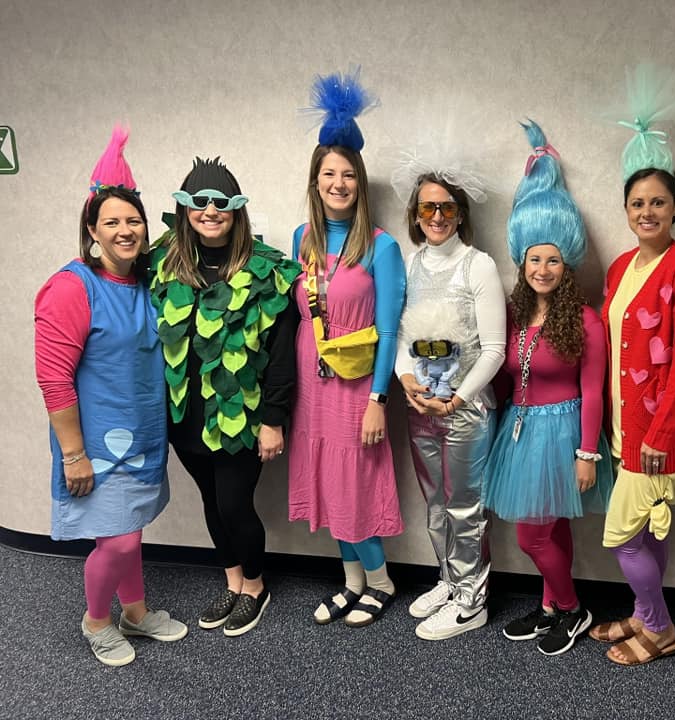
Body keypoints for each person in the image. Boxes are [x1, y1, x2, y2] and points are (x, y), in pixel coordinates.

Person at [35, 127, 187, 666]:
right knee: (116, 541)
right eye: (113, 222)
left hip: (144, 433)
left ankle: (136, 613)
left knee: (130, 531)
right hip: (96, 442)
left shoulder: (148, 284)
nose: (126, 230)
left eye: (134, 220)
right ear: (92, 231)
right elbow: (53, 377)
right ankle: (97, 621)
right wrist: (73, 453)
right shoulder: (72, 286)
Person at [592, 65, 675, 666]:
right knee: (643, 531)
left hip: (659, 432)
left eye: (658, 202)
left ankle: (660, 628)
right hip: (623, 424)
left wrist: (662, 435)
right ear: (626, 209)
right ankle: (643, 614)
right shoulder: (619, 268)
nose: (647, 211)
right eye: (637, 202)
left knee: (622, 536)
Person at [151, 156, 301, 636]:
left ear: (237, 211)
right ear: (183, 208)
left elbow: (282, 357)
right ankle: (232, 580)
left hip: (243, 417)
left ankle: (256, 586)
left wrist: (274, 419)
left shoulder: (267, 272)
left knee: (236, 503)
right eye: (199, 201)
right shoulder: (164, 265)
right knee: (211, 503)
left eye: (221, 203)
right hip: (184, 416)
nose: (210, 210)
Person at [483, 121, 614, 656]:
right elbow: (501, 370)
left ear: (567, 264)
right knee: (549, 530)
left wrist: (587, 454)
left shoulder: (585, 321)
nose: (542, 267)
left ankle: (573, 608)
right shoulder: (512, 317)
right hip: (519, 434)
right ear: (522, 260)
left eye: (552, 259)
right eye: (534, 258)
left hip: (565, 434)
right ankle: (551, 607)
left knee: (533, 535)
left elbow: (595, 391)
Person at [287, 68, 406, 628]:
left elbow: (387, 330)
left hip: (360, 390)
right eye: (328, 174)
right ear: (315, 181)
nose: (338, 183)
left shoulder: (380, 247)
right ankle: (352, 581)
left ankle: (380, 580)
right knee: (328, 484)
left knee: (354, 485)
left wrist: (379, 398)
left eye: (348, 175)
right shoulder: (300, 240)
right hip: (313, 386)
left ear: (360, 183)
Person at [392, 142, 506, 641]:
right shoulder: (411, 264)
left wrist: (457, 397)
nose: (436, 215)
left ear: (459, 213)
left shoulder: (477, 266)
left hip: (466, 409)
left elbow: (496, 349)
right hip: (422, 406)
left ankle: (472, 600)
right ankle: (449, 578)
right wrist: (408, 381)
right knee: (435, 504)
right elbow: (399, 337)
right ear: (416, 215)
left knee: (467, 507)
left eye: (445, 207)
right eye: (427, 207)